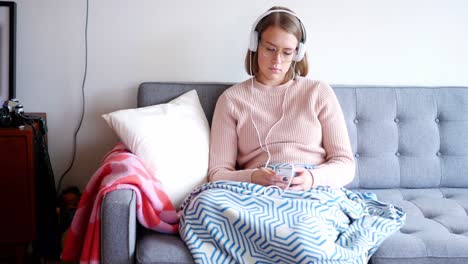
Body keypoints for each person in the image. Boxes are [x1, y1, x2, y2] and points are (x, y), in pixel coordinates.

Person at [208, 6, 355, 191]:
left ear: (298, 53)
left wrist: (311, 178)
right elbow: (218, 173)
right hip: (254, 189)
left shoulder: (318, 92)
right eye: (270, 49)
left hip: (312, 188)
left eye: (287, 52)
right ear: (255, 45)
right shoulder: (231, 100)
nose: (277, 60)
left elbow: (345, 165)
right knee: (204, 202)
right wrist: (252, 177)